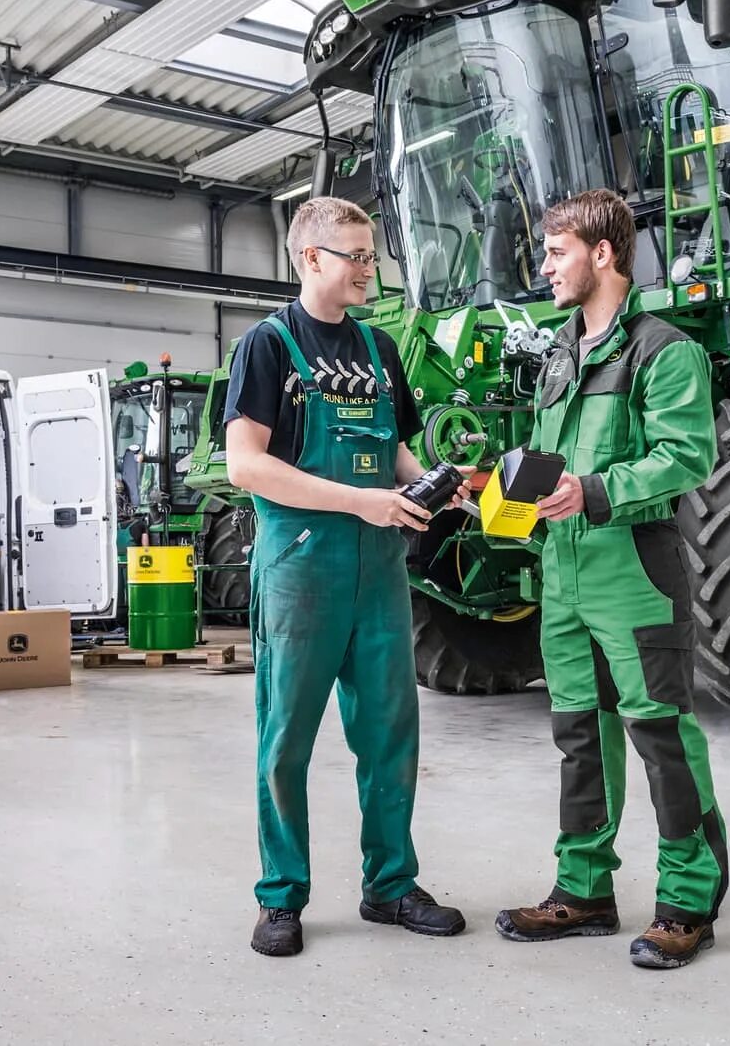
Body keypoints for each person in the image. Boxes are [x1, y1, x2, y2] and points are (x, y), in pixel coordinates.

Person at [223, 195, 467, 958]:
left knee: (392, 730)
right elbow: (246, 464)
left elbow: (394, 449)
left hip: (379, 565)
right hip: (301, 561)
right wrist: (359, 501)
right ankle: (281, 895)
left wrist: (430, 482)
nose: (369, 269)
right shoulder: (267, 347)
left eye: (371, 255)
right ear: (310, 259)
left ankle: (390, 884)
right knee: (287, 735)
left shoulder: (378, 347)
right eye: (354, 256)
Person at [495, 189, 727, 970]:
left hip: (632, 569)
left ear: (603, 253)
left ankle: (688, 900)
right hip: (562, 571)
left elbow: (686, 455)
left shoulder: (663, 349)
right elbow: (546, 460)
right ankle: (583, 889)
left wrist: (593, 492)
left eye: (558, 251)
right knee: (580, 737)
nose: (546, 265)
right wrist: (490, 487)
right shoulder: (561, 353)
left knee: (660, 732)